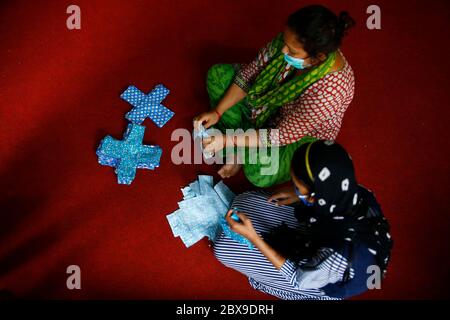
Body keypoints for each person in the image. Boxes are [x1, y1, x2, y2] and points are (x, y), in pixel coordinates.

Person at [194, 5, 356, 187]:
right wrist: (217, 111)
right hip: (271, 103)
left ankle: (237, 146)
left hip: (296, 134)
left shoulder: (329, 93)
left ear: (317, 58)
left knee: (259, 173)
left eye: (293, 51)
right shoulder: (291, 42)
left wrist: (227, 140)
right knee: (218, 76)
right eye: (285, 41)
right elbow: (250, 74)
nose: (283, 51)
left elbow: (281, 135)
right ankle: (239, 142)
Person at [212, 140, 393, 300]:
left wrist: (254, 238)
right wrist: (297, 195)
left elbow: (297, 277)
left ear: (317, 195)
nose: (294, 188)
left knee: (223, 247)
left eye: (297, 186)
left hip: (317, 276)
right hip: (327, 234)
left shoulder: (337, 256)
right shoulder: (354, 192)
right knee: (244, 202)